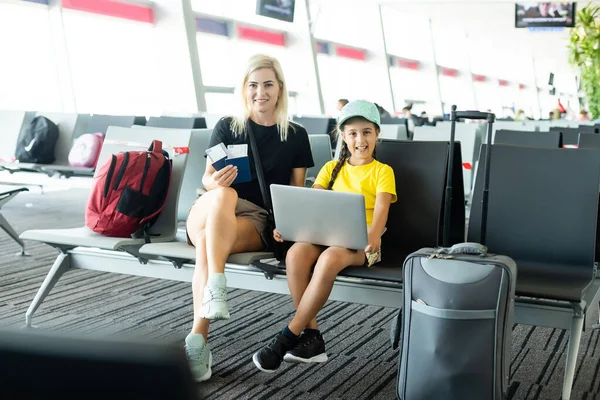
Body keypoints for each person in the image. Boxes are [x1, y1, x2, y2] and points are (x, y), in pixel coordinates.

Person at [184, 54, 314, 381]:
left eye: (268, 84)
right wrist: (217, 183)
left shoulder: (295, 135)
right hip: (211, 205)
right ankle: (216, 284)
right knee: (224, 196)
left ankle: (198, 338)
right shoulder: (228, 126)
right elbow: (207, 178)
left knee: (208, 246)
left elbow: (296, 193)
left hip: (255, 217)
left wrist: (290, 227)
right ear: (244, 89)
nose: (261, 92)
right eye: (253, 85)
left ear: (280, 89)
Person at [252, 100, 397, 373]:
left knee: (329, 258)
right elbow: (310, 207)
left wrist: (372, 237)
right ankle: (312, 336)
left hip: (363, 244)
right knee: (296, 253)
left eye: (366, 132)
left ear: (377, 134)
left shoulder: (382, 172)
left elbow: (380, 218)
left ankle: (288, 335)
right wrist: (288, 227)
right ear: (343, 136)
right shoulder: (330, 169)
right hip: (327, 236)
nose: (360, 140)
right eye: (353, 133)